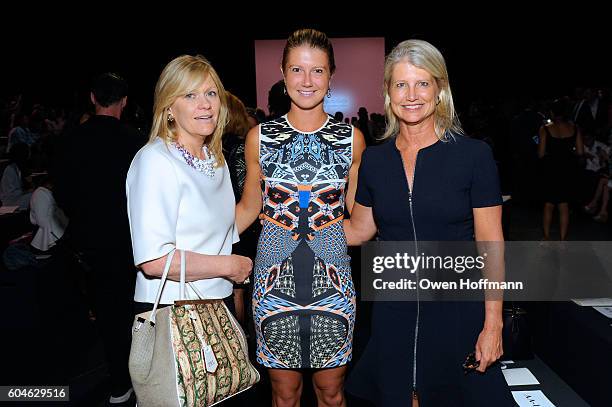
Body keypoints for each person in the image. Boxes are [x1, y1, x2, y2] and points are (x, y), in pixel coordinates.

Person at [343, 39, 515, 406]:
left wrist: (493, 323)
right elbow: (358, 230)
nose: (411, 95)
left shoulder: (474, 156)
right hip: (393, 312)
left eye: (422, 83)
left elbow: (491, 243)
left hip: (457, 311)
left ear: (440, 90)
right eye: (401, 84)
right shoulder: (375, 162)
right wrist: (294, 222)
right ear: (388, 92)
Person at [236, 29, 365, 407]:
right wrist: (193, 239)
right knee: (284, 394)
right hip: (274, 285)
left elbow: (357, 217)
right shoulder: (259, 137)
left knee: (331, 392)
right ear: (282, 72)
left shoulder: (351, 139)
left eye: (317, 71)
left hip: (333, 283)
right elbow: (247, 208)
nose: (307, 81)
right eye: (296, 70)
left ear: (331, 76)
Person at [126, 54, 252, 323]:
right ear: (169, 107)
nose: (205, 104)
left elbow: (222, 234)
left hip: (219, 303)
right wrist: (229, 266)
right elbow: (154, 260)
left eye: (211, 93)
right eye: (190, 95)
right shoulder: (155, 160)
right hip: (175, 311)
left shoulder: (215, 159)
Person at [53, 72, 144, 404]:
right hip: (134, 242)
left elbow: (60, 194)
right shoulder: (137, 141)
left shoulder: (70, 140)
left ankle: (120, 383)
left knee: (107, 314)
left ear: (92, 98)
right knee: (139, 312)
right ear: (124, 102)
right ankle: (143, 377)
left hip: (91, 243)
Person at [538, 99, 584, 240]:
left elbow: (541, 153)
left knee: (549, 204)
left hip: (551, 168)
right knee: (564, 205)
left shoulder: (546, 128)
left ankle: (546, 238)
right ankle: (563, 240)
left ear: (552, 112)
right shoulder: (574, 128)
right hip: (567, 169)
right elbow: (581, 152)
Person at [0, 142, 32, 209]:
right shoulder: (10, 169)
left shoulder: (19, 167)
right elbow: (10, 193)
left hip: (17, 198)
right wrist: (26, 191)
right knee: (34, 196)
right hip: (10, 201)